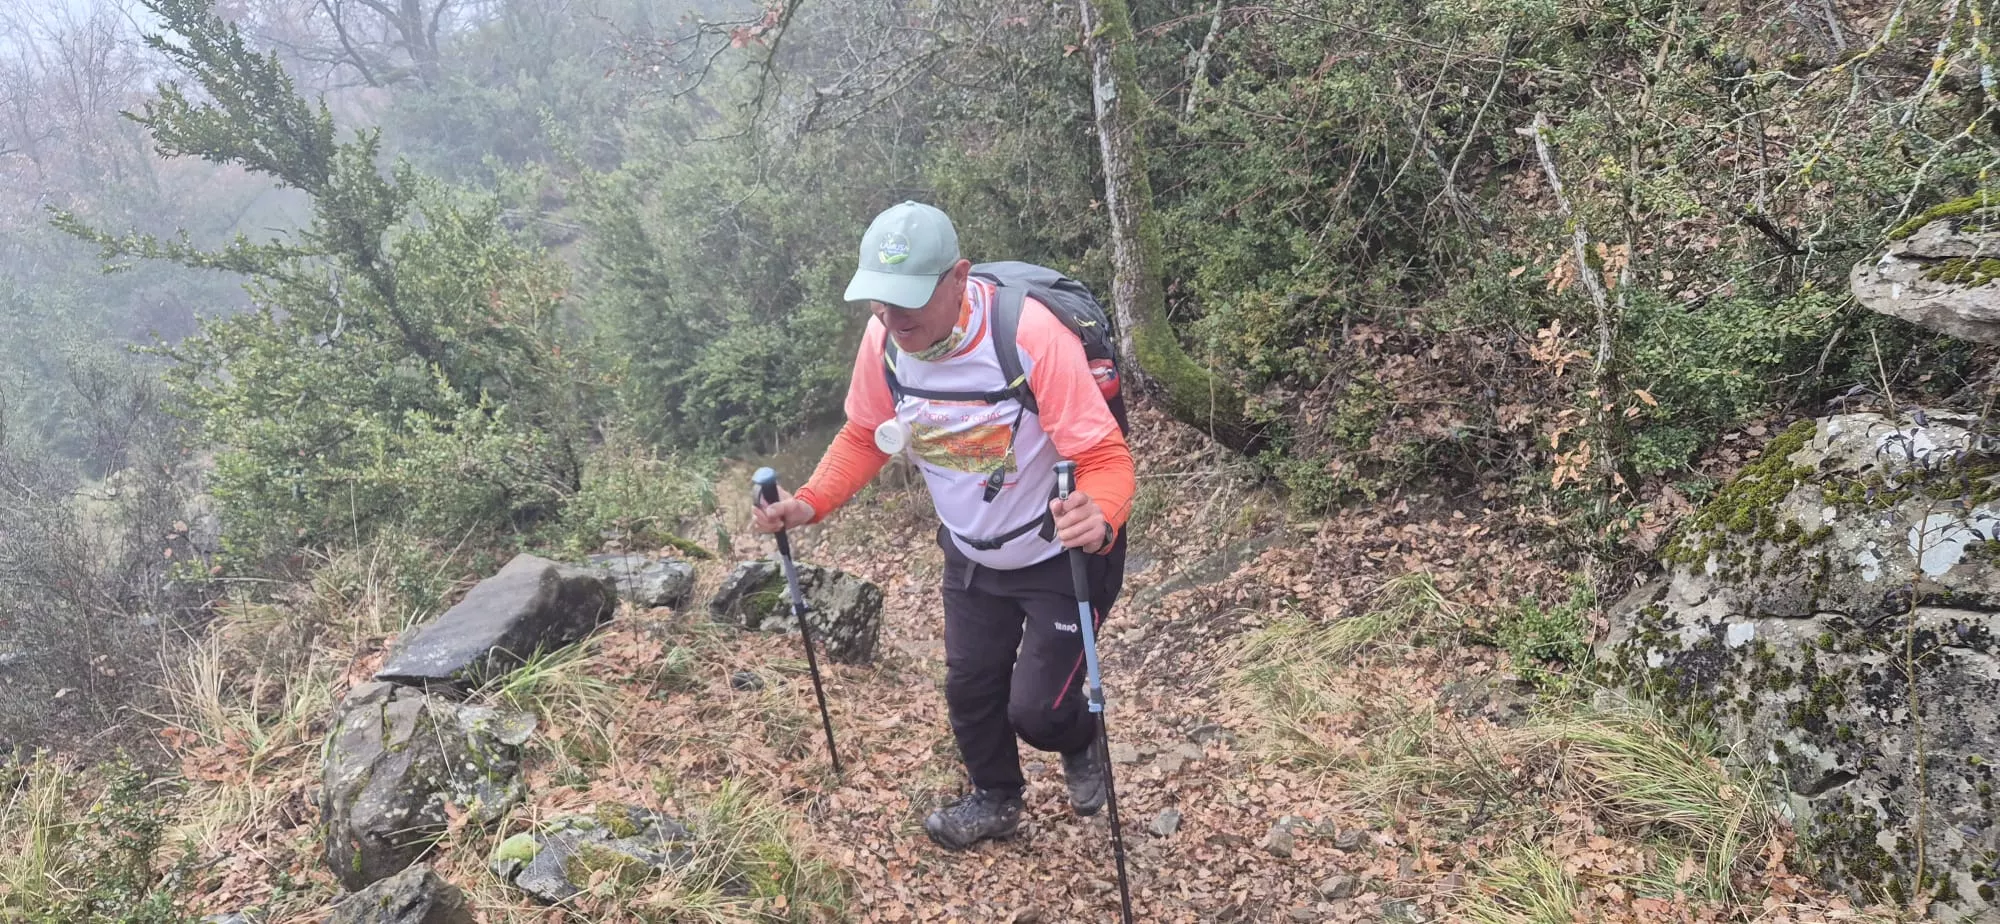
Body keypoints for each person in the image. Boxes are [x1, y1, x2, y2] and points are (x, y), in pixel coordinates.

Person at [750, 201, 1136, 850]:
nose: (891, 319)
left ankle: (1077, 739)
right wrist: (809, 503)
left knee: (1037, 711)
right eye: (878, 303)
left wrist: (1099, 515)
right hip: (971, 554)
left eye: (906, 302)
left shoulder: (1029, 336)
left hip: (1056, 555)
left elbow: (1104, 457)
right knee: (970, 688)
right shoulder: (886, 344)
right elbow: (867, 434)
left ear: (959, 278)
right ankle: (997, 798)